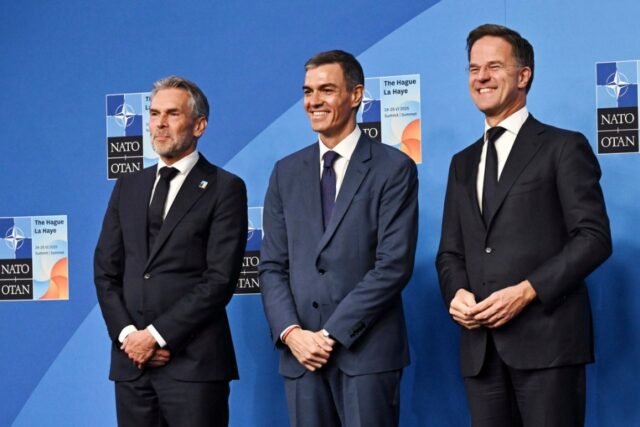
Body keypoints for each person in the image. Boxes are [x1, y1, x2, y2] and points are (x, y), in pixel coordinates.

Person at [436, 24, 612, 426]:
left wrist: (528, 290)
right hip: (480, 352)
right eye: (474, 69)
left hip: (548, 346)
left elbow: (593, 238)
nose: (481, 77)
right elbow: (450, 252)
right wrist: (456, 293)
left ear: (523, 75)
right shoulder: (461, 163)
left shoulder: (562, 146)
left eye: (494, 67)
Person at [259, 50, 418, 427]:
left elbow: (393, 266)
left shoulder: (393, 168)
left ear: (356, 95)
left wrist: (330, 334)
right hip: (300, 359)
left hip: (366, 356)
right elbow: (271, 267)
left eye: (326, 90)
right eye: (308, 91)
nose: (313, 101)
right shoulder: (285, 172)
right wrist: (292, 334)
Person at [94, 76, 247, 427]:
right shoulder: (128, 186)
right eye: (154, 113)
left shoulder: (225, 188)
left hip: (194, 366)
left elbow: (219, 280)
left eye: (173, 114)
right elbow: (105, 272)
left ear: (199, 125)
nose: (160, 123)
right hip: (131, 366)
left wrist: (157, 336)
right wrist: (129, 338)